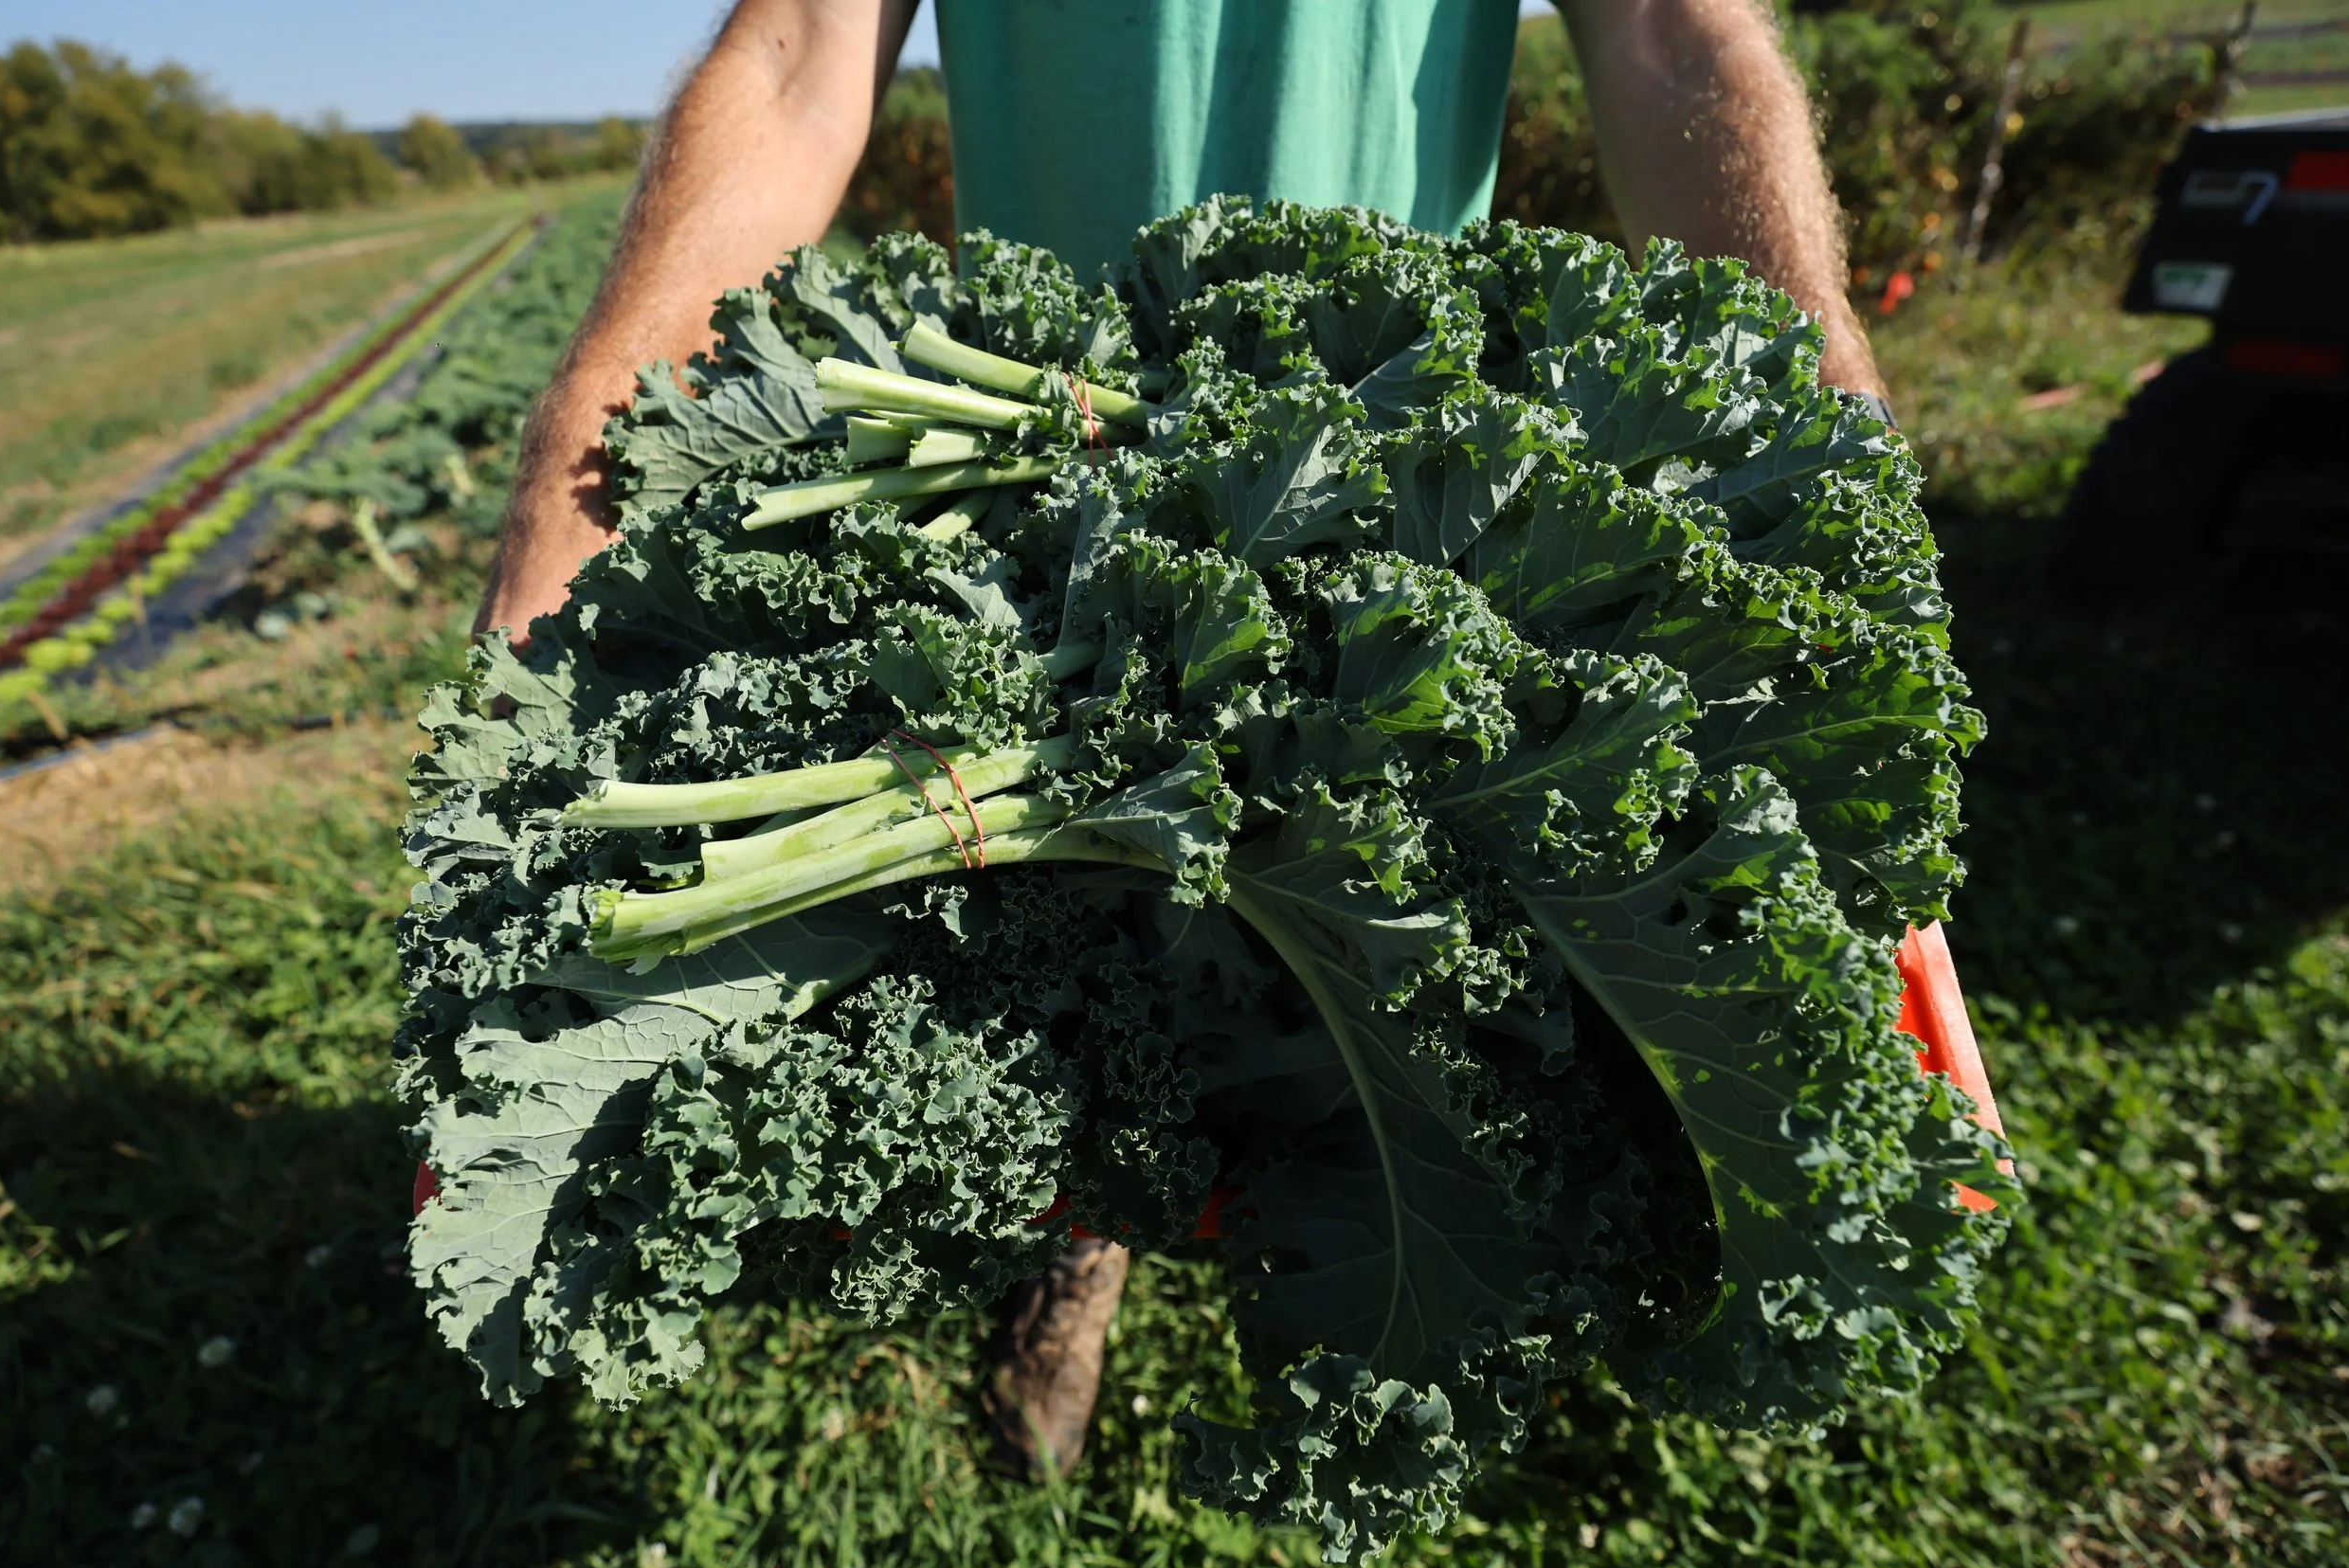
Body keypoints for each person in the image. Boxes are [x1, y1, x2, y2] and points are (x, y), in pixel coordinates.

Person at [476, 0, 1893, 1482]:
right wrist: (588, 432)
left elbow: (1679, 36)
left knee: (1331, 957)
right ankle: (1079, 1218)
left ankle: (1209, 1178)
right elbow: (792, 52)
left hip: (1404, 488)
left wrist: (1825, 423)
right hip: (1029, 469)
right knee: (1077, 960)